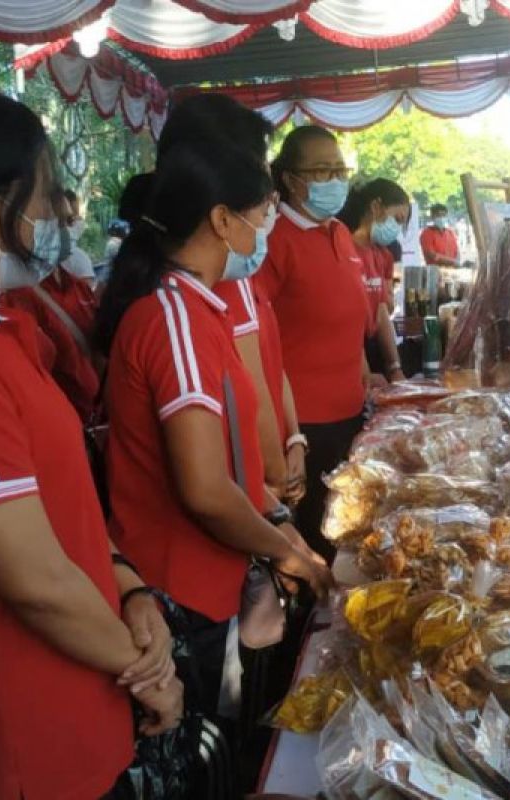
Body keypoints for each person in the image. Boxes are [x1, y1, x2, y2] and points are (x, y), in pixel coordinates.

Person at [0, 82, 181, 800]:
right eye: (45, 199)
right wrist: (151, 675)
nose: (58, 218)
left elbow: (60, 496)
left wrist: (132, 589)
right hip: (13, 743)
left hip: (79, 709)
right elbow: (33, 580)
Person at [93, 139, 334, 718]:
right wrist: (288, 552)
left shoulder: (198, 309)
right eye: (261, 213)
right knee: (211, 740)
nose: (266, 229)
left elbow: (229, 460)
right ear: (223, 220)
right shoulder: (174, 319)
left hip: (212, 574)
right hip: (184, 589)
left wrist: (283, 530)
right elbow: (203, 488)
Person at [154, 92, 308, 510]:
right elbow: (249, 391)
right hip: (251, 495)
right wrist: (275, 483)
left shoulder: (238, 266)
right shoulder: (199, 287)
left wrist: (294, 436)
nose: (267, 185)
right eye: (259, 166)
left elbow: (272, 367)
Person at [264, 125, 371, 562]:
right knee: (313, 543)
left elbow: (351, 313)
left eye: (339, 170)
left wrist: (366, 366)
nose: (335, 180)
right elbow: (255, 341)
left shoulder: (340, 234)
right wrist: (287, 435)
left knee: (347, 533)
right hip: (303, 427)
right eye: (322, 170)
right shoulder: (272, 241)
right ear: (291, 179)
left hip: (350, 413)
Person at [0, 184, 102, 423]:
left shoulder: (79, 286)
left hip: (92, 419)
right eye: (57, 222)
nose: (67, 231)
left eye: (69, 221)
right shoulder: (16, 297)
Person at [338, 178, 409, 383]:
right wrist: (364, 372)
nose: (397, 229)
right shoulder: (342, 249)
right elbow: (345, 320)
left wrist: (394, 367)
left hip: (369, 348)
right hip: (347, 352)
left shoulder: (382, 255)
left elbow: (381, 312)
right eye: (397, 218)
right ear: (376, 207)